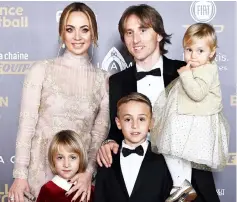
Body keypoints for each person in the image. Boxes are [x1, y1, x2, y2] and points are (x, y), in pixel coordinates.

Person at [96, 4, 220, 202]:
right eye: (129, 32)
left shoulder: (186, 71)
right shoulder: (117, 81)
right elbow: (117, 127)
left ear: (159, 35)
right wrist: (109, 141)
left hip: (191, 180)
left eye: (143, 30)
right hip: (146, 183)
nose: (136, 40)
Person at [8, 2, 109, 202]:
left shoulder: (104, 80)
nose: (77, 37)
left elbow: (98, 134)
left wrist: (88, 172)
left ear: (94, 34)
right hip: (37, 178)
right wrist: (20, 175)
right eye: (70, 29)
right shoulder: (41, 70)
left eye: (85, 29)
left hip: (78, 184)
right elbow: (26, 127)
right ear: (62, 33)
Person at [151, 23, 229, 202]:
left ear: (212, 52)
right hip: (186, 117)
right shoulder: (195, 68)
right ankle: (182, 185)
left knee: (175, 150)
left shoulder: (207, 70)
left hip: (196, 122)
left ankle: (182, 184)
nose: (193, 55)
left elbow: (197, 93)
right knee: (175, 152)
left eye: (200, 51)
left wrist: (185, 74)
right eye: (189, 49)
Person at [94, 92, 172, 202]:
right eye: (127, 119)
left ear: (151, 123)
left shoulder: (163, 160)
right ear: (118, 123)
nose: (135, 125)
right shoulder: (107, 158)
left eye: (141, 119)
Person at [37, 130, 93, 202]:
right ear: (53, 160)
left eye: (72, 157)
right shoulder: (47, 190)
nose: (66, 164)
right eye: (60, 158)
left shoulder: (90, 189)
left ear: (81, 159)